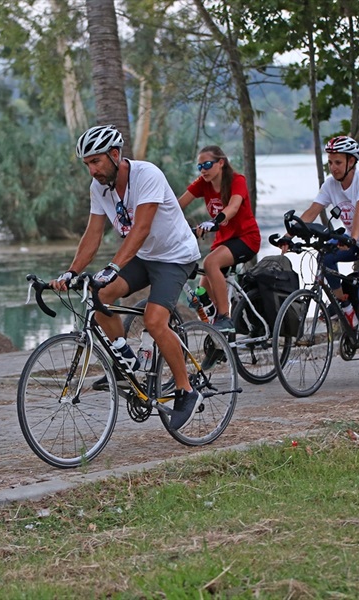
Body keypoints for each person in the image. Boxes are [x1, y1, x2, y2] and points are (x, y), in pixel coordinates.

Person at [52, 124, 203, 431]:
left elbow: (141, 228)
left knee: (154, 320)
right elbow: (92, 234)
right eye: (87, 164)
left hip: (175, 257)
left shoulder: (147, 175)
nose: (92, 170)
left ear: (115, 154)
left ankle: (186, 389)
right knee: (101, 295)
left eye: (96, 161)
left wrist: (114, 266)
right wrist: (72, 271)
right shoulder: (99, 189)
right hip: (144, 257)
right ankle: (126, 364)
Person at [279, 136, 359, 375]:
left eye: (338, 162)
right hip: (354, 240)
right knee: (326, 256)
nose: (333, 167)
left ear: (351, 162)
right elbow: (311, 212)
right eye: (330, 162)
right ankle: (345, 307)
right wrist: (288, 236)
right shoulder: (330, 185)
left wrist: (353, 237)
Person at [177, 145, 261, 333]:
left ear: (221, 163)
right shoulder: (202, 183)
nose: (203, 170)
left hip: (246, 238)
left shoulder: (236, 180)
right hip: (223, 242)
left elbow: (233, 207)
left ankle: (225, 317)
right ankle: (219, 337)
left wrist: (214, 222)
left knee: (210, 263)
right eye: (200, 167)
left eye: (207, 164)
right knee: (201, 295)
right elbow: (177, 205)